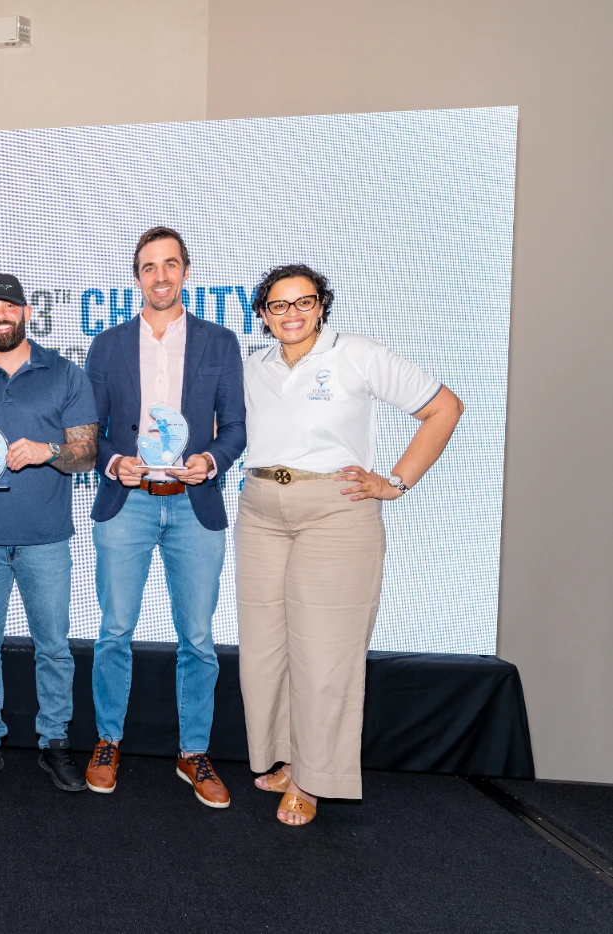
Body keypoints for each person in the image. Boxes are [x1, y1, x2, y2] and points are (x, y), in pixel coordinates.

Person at [237, 263, 463, 825]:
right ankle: (289, 760)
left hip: (335, 513)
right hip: (260, 511)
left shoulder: (356, 353)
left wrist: (397, 482)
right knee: (266, 652)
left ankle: (314, 780)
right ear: (263, 315)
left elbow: (445, 407)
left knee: (324, 654)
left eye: (304, 302)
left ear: (322, 305)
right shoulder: (253, 366)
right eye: (278, 305)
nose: (292, 314)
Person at [84, 227, 246, 803]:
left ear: (185, 271)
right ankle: (107, 741)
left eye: (170, 264)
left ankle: (193, 752)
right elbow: (88, 433)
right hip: (126, 504)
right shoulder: (107, 345)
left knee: (198, 637)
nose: (160, 276)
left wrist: (211, 459)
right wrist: (113, 463)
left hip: (193, 506)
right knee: (114, 631)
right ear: (137, 278)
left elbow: (236, 428)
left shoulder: (219, 342)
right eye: (149, 267)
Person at [0, 274, 98, 793]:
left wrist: (47, 451)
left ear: (27, 312)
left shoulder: (65, 373)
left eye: (9, 306)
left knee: (53, 648)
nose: (0, 315)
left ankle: (55, 741)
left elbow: (87, 455)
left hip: (46, 537)